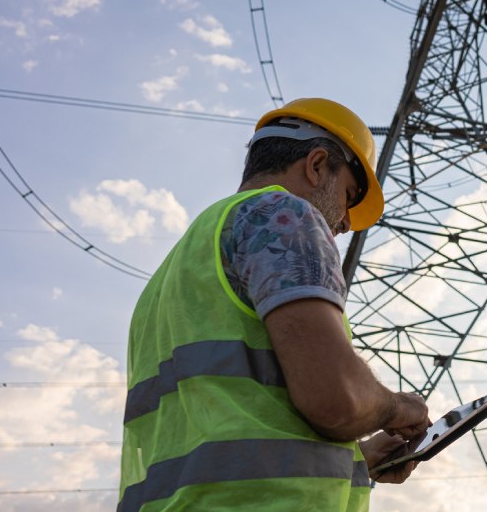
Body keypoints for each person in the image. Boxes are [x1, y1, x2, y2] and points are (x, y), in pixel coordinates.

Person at [118, 98, 432, 511]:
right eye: (349, 195)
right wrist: (398, 406)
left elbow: (229, 426)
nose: (344, 224)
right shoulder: (282, 216)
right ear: (317, 165)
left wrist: (357, 462)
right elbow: (333, 399)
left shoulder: (177, 269)